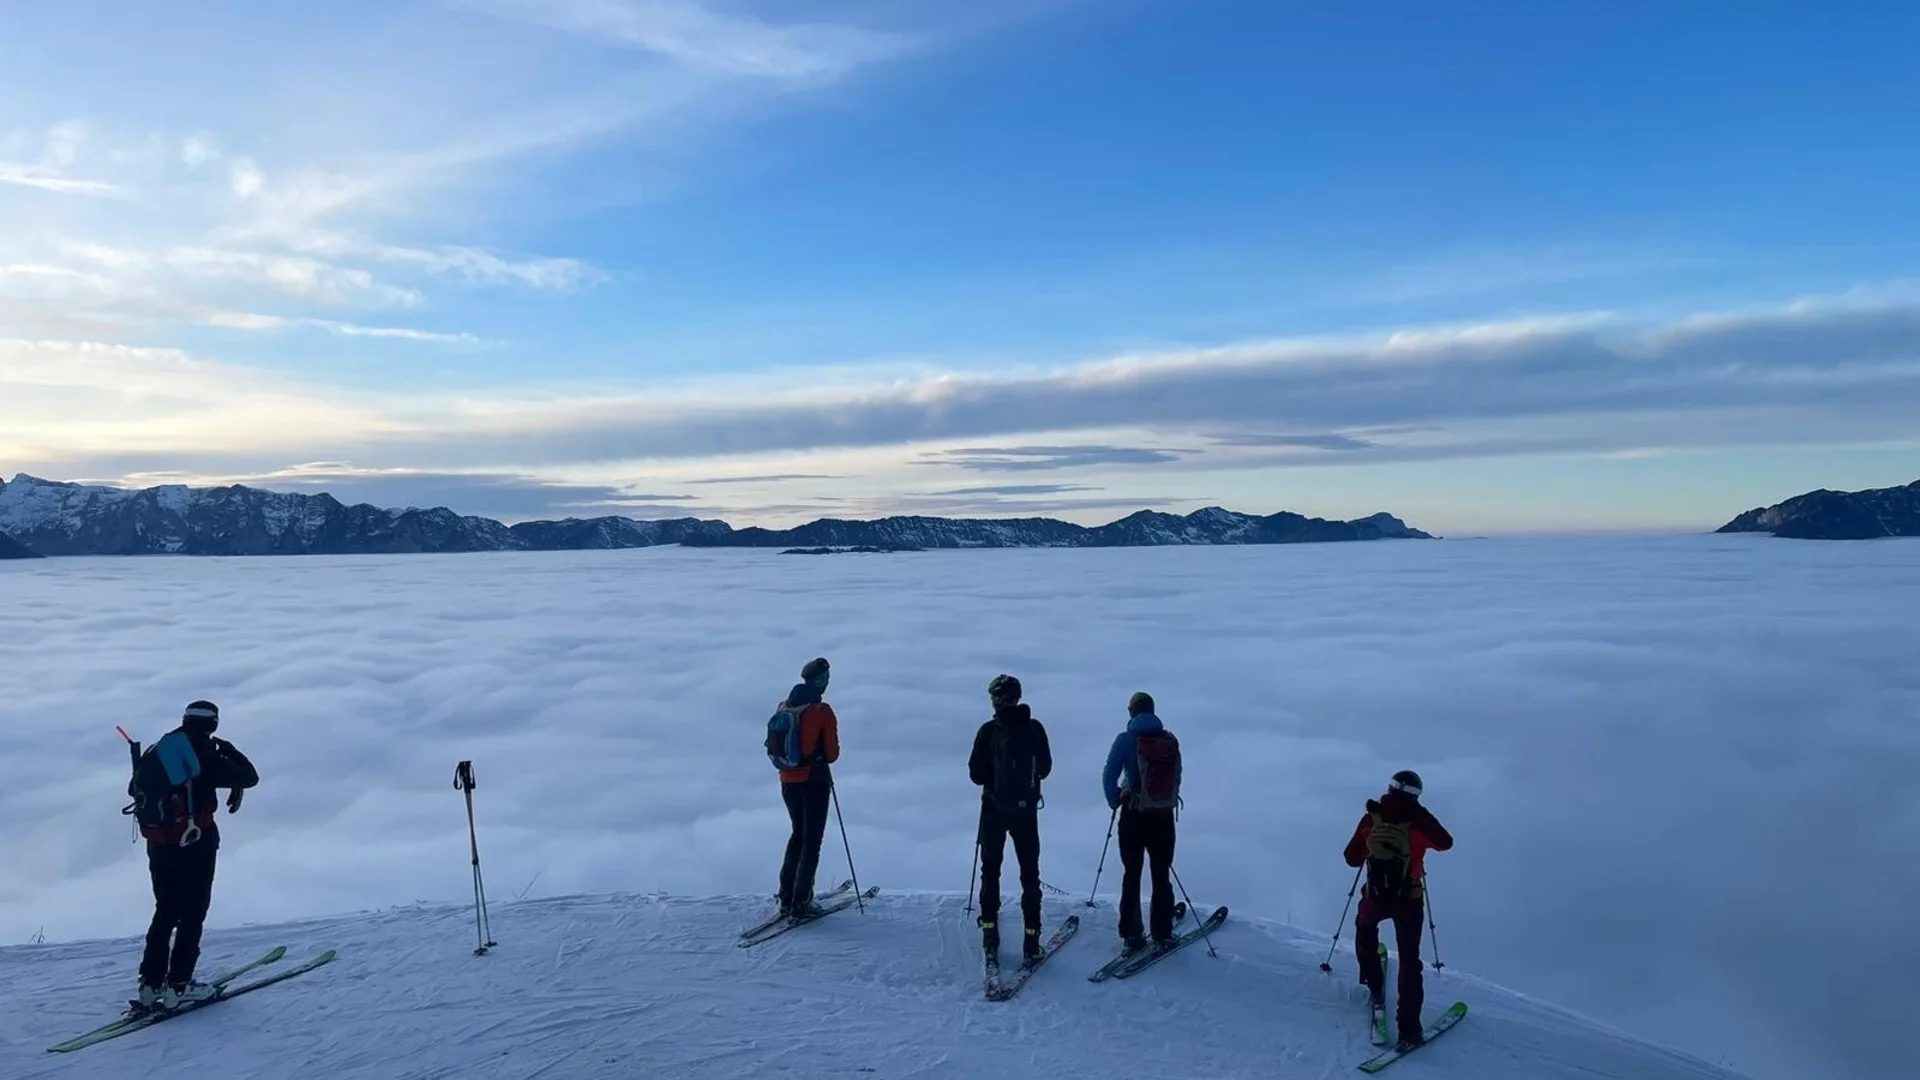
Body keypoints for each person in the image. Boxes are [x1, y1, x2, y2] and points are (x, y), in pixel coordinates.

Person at [134, 700, 259, 1011]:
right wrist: (229, 750)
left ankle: (149, 985)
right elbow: (249, 777)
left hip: (160, 842)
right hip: (196, 842)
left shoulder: (159, 750)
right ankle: (179, 986)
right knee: (192, 913)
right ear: (213, 725)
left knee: (165, 911)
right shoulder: (206, 755)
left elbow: (132, 788)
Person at [1342, 769, 1453, 1052]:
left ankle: (1373, 982)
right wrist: (1419, 815)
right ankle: (1409, 1030)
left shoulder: (1372, 817)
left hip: (1375, 895)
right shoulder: (1419, 822)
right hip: (1410, 899)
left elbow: (1351, 858)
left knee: (1365, 930)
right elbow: (1445, 842)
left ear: (1390, 788)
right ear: (1416, 796)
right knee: (1409, 960)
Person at [968, 673, 1052, 964]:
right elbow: (1045, 768)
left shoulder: (989, 731)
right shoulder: (1035, 729)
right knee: (1030, 874)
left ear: (997, 699)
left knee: (991, 871)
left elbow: (975, 775)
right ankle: (1032, 939)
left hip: (993, 811)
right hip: (1026, 813)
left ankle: (990, 934)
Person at [1101, 691, 1181, 951]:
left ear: (1131, 712)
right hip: (1163, 816)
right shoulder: (1169, 740)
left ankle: (1132, 934)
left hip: (1133, 816)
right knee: (1160, 873)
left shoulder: (1125, 740)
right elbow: (1177, 775)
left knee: (1132, 873)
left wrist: (1116, 800)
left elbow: (1108, 773)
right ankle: (1163, 932)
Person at [775, 657, 840, 918]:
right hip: (813, 780)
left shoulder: (784, 706)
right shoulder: (821, 712)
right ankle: (801, 902)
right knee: (812, 840)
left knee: (797, 834)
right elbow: (833, 754)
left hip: (787, 780)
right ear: (822, 681)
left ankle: (786, 895)